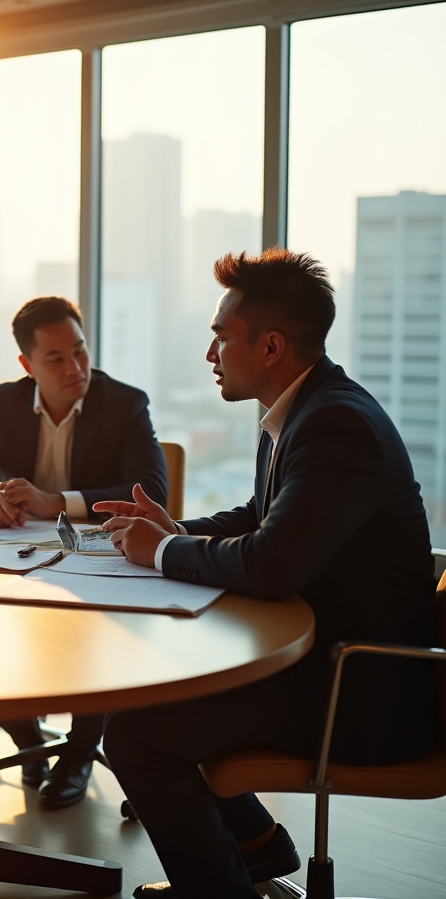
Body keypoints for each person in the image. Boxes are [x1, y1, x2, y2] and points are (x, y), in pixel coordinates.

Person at [97, 249, 438, 899]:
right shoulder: (301, 409)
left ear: (272, 345)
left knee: (136, 734)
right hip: (321, 663)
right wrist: (172, 531)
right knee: (147, 696)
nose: (210, 354)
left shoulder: (337, 424)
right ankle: (254, 848)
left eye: (221, 337)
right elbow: (261, 517)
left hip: (358, 693)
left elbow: (271, 562)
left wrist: (162, 553)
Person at [0, 296, 168, 807]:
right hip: (22, 561)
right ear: (27, 365)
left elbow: (151, 490)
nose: (75, 367)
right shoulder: (2, 403)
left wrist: (56, 501)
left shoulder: (125, 403)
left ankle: (81, 752)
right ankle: (28, 739)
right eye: (56, 358)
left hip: (99, 559)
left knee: (97, 630)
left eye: (80, 351)